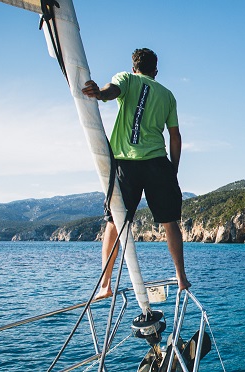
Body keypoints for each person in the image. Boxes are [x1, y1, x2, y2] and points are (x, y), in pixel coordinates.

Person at [81, 48, 190, 297]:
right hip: (158, 163)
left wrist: (99, 94)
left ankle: (106, 284)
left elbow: (112, 90)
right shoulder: (167, 95)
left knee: (114, 223)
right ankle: (181, 277)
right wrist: (173, 170)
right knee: (169, 222)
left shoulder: (127, 79)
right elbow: (175, 135)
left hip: (126, 164)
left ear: (134, 68)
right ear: (155, 71)